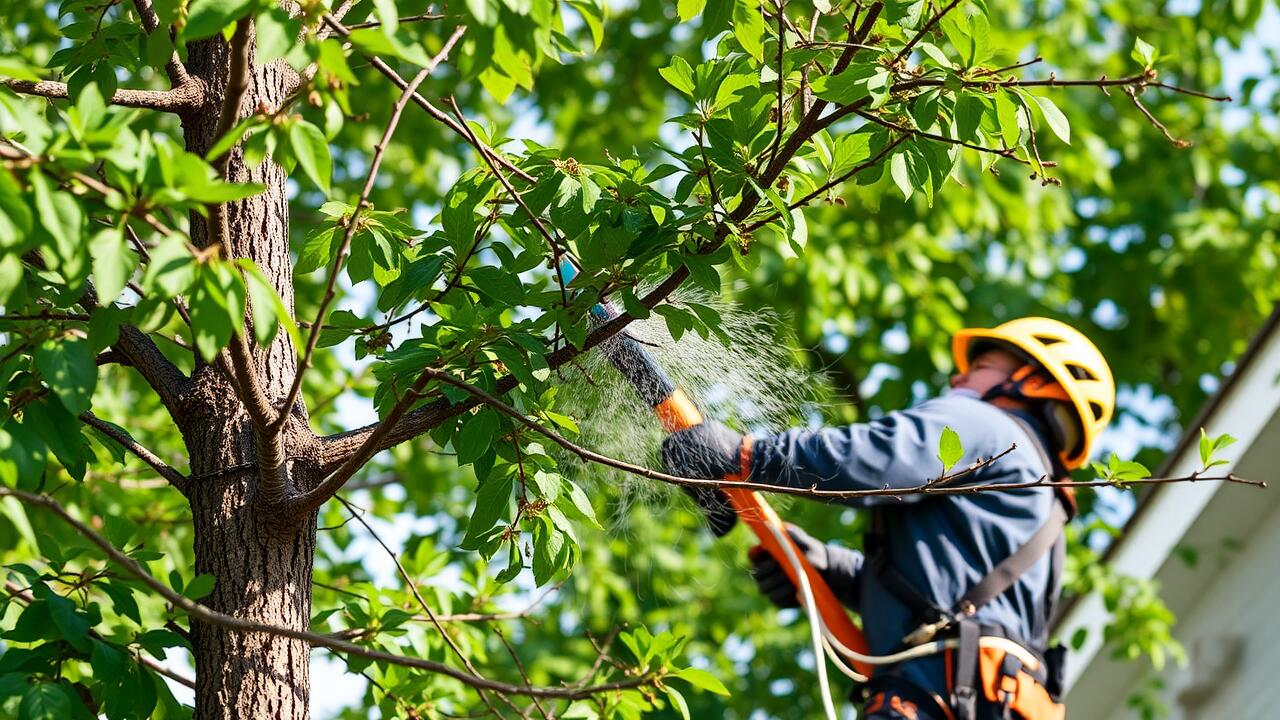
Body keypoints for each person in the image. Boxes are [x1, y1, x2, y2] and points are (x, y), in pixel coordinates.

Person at [662, 317, 1114, 720]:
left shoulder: (988, 426)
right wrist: (831, 569)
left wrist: (747, 455)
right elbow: (948, 601)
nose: (958, 376)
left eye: (979, 368)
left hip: (932, 699)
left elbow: (879, 460)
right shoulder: (1041, 504)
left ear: (1031, 384)